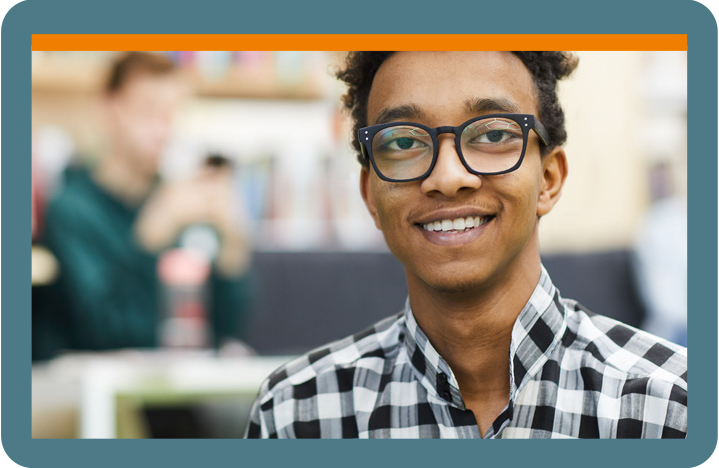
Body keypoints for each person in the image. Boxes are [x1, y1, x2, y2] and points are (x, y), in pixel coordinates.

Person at [244, 52, 687, 439]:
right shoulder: (295, 417)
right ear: (370, 198)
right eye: (403, 141)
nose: (449, 177)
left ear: (549, 180)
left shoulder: (674, 406)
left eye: (493, 135)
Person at [40, 52, 253, 356]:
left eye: (171, 114)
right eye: (148, 112)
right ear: (109, 109)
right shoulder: (71, 210)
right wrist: (149, 237)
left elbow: (221, 330)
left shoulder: (178, 201)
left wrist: (233, 248)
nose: (162, 130)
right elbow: (106, 329)